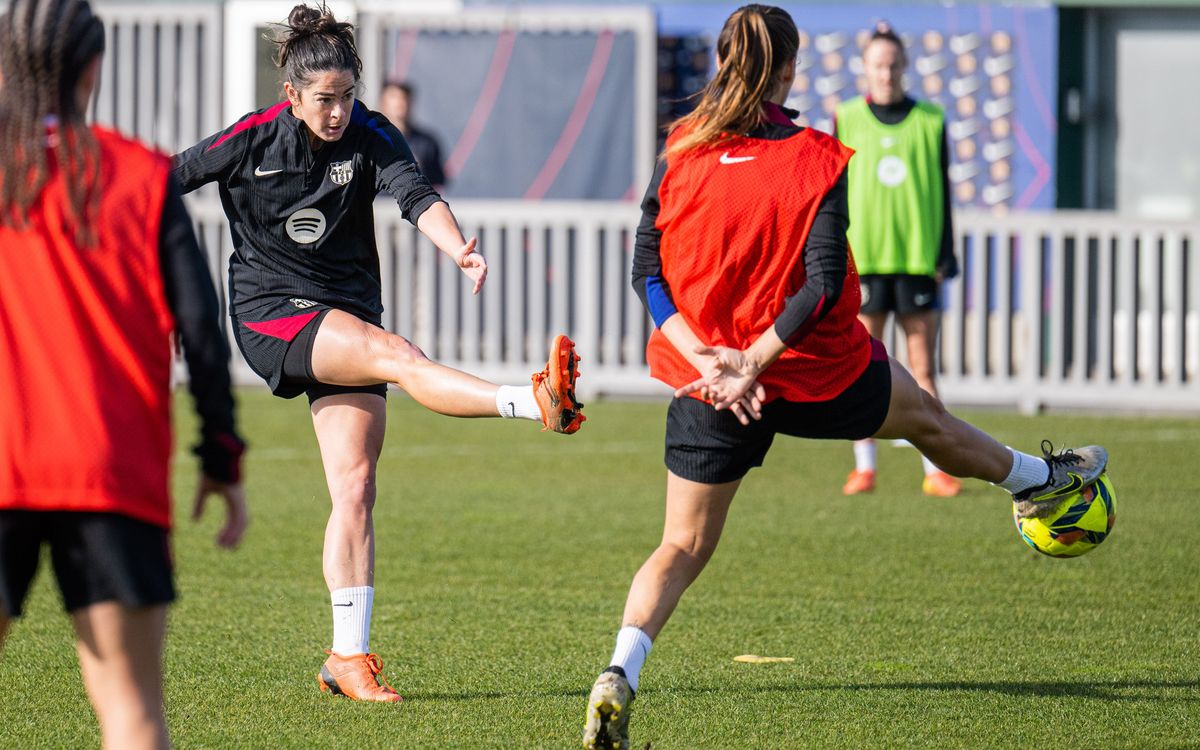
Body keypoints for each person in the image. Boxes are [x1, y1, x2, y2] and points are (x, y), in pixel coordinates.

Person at [580, 6, 1106, 748]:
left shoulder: (682, 147)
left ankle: (620, 671)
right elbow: (822, 286)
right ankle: (1038, 481)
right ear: (790, 70)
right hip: (814, 369)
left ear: (723, 63)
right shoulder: (817, 157)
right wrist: (753, 362)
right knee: (925, 417)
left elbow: (647, 271)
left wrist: (710, 362)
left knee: (680, 547)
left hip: (710, 383)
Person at [172, 3, 585, 703]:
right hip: (272, 314)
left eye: (346, 97)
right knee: (397, 354)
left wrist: (458, 248)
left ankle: (348, 657)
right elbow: (161, 181)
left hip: (347, 311)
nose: (337, 113)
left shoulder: (370, 132)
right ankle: (529, 398)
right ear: (292, 97)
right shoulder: (251, 138)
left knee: (357, 488)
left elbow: (415, 196)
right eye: (324, 100)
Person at [0, 1, 248, 748]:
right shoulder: (140, 176)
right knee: (132, 713)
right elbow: (201, 332)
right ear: (94, 68)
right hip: (111, 470)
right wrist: (222, 458)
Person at [835, 22, 962, 498]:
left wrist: (946, 252)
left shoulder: (930, 119)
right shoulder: (846, 117)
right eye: (877, 65)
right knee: (863, 367)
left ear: (904, 66)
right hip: (865, 260)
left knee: (922, 368)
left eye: (892, 65)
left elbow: (944, 191)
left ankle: (936, 469)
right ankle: (864, 466)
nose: (885, 73)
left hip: (916, 259)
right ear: (865, 69)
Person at [379, 80, 447, 189]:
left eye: (404, 98)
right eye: (394, 97)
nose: (400, 103)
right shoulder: (370, 140)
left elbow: (437, 183)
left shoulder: (426, 143)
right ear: (383, 102)